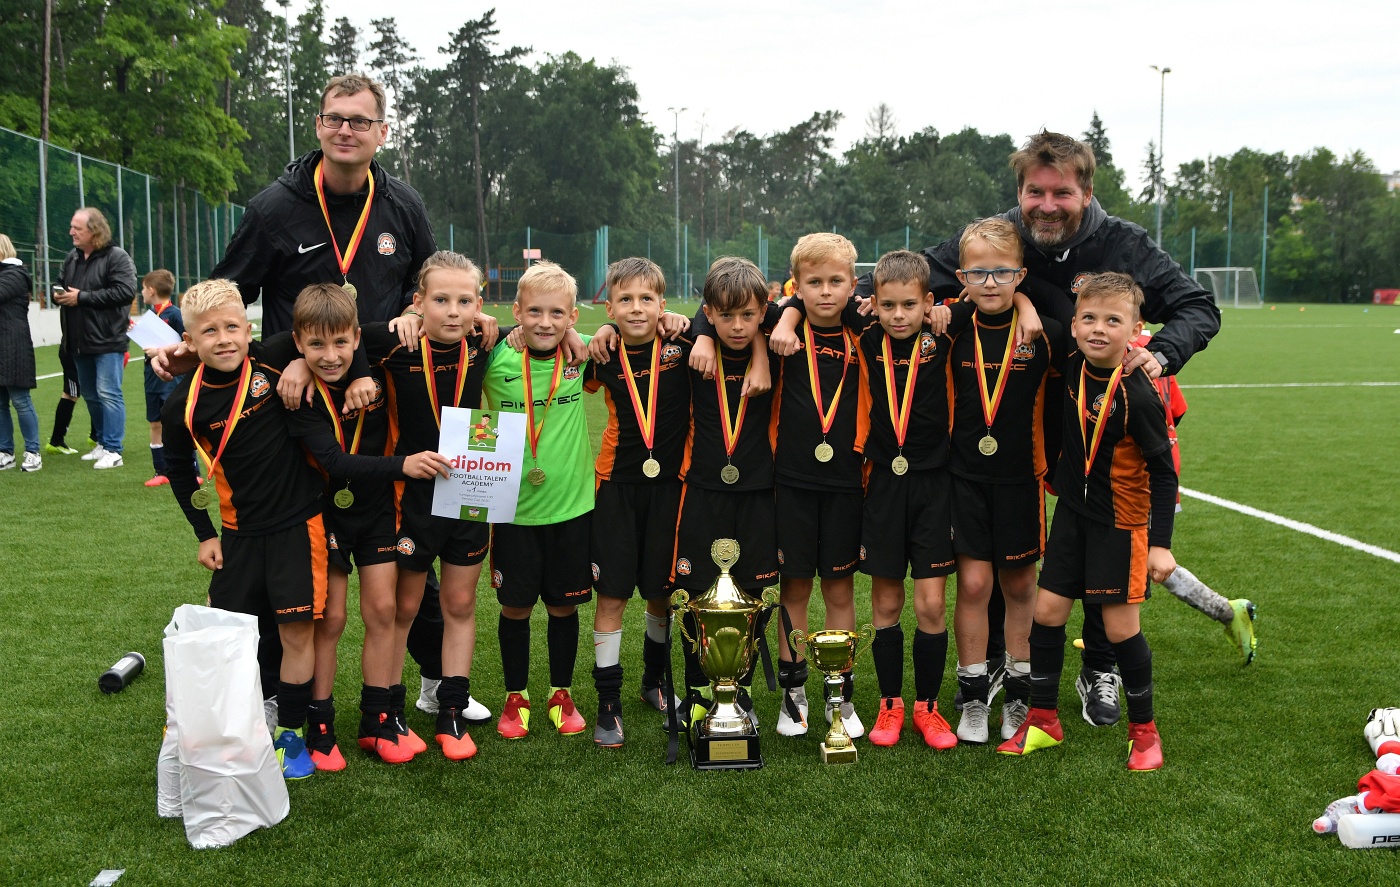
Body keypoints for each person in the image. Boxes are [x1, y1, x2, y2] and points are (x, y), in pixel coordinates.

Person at [864, 130, 1221, 727]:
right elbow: (907, 279)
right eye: (1036, 192)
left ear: (1086, 192)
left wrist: (1158, 355)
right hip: (1014, 417)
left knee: (1100, 539)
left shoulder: (1124, 244)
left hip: (1098, 423)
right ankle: (997, 666)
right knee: (999, 566)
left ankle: (1099, 665)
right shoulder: (997, 237)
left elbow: (1198, 308)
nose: (1046, 206)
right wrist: (793, 310)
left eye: (1061, 193)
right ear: (1020, 193)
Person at [212, 73, 458, 725]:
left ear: (382, 132)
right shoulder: (275, 207)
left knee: (402, 545)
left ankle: (436, 681)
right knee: (289, 550)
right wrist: (287, 358)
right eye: (334, 118)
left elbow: (429, 283)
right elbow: (228, 295)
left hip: (382, 398)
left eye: (359, 120)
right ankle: (276, 692)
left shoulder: (402, 204)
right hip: (298, 402)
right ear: (319, 126)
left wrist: (427, 315)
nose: (345, 130)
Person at [998, 272, 1177, 771]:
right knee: (1047, 613)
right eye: (1090, 318)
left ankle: (1145, 734)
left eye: (1113, 321)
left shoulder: (1139, 394)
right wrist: (1024, 303)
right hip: (1072, 518)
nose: (1099, 329)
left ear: (1136, 331)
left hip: (1120, 525)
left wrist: (1160, 544)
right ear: (1075, 324)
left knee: (1120, 630)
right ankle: (1043, 721)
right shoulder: (1073, 361)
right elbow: (1029, 295)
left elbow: (1164, 473)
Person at [160, 279, 334, 779]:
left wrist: (302, 363)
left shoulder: (275, 356)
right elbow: (178, 471)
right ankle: (239, 722)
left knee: (297, 634)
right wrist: (204, 533)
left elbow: (336, 335)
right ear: (189, 341)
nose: (224, 339)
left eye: (232, 327)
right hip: (237, 535)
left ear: (248, 327)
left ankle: (292, 737)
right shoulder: (182, 406)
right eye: (209, 332)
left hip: (298, 527)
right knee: (230, 638)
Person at [282, 283, 454, 767]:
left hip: (378, 512)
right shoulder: (298, 395)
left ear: (357, 338)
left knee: (383, 610)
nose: (330, 355)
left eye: (341, 343)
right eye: (315, 345)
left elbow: (441, 328)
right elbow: (334, 461)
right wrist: (403, 465)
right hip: (328, 514)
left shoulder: (375, 362)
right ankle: (320, 729)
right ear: (298, 343)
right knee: (332, 619)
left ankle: (378, 721)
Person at [358, 251, 491, 761]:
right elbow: (330, 339)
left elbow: (546, 332)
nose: (453, 311)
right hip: (410, 497)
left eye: (464, 301)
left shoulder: (485, 341)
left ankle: (450, 711)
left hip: (472, 490)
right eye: (440, 300)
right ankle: (388, 711)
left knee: (459, 604)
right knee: (405, 608)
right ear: (418, 302)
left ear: (478, 305)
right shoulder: (394, 343)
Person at [946, 220, 1066, 744]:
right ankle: (974, 699)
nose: (990, 282)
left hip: (1021, 481)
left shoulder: (1046, 334)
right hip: (964, 479)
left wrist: (1027, 307)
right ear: (961, 278)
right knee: (974, 585)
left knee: (1019, 586)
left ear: (1020, 275)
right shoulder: (949, 327)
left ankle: (1018, 698)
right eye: (978, 273)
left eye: (1001, 272)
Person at [482, 261, 594, 742]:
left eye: (556, 314)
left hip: (571, 508)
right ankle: (516, 696)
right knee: (516, 607)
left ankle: (560, 693)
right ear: (516, 312)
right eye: (534, 312)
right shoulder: (494, 357)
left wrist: (597, 332)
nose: (545, 323)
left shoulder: (583, 355)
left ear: (572, 317)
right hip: (513, 509)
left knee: (564, 608)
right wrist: (491, 326)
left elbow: (628, 333)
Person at [583, 257, 693, 747]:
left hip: (671, 487)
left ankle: (654, 682)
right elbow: (555, 345)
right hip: (616, 487)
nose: (636, 308)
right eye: (624, 299)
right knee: (611, 595)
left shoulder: (682, 346)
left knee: (661, 591)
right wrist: (597, 333)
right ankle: (608, 702)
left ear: (662, 305)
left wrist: (686, 323)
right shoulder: (602, 354)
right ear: (609, 307)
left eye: (647, 299)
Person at [671, 257, 780, 725]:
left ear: (763, 314)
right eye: (726, 315)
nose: (738, 326)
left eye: (748, 316)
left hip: (759, 492)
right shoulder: (691, 349)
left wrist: (761, 349)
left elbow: (789, 311)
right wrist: (700, 333)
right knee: (694, 592)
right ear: (709, 313)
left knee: (754, 594)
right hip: (701, 490)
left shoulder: (778, 347)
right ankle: (699, 690)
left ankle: (740, 689)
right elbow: (645, 325)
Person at [53, 207, 137, 470]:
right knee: (90, 394)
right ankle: (102, 442)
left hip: (108, 340)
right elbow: (61, 282)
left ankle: (114, 449)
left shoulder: (117, 257)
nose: (71, 232)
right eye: (72, 227)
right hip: (78, 341)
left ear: (94, 230)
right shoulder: (72, 258)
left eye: (77, 228)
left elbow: (125, 292)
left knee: (109, 393)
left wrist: (82, 297)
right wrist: (59, 294)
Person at [139, 270, 185, 486]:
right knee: (154, 422)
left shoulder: (175, 314)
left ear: (151, 290)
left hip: (171, 378)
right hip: (151, 378)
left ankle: (190, 469)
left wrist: (158, 351)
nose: (141, 293)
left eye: (142, 289)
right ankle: (160, 471)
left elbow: (186, 344)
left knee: (176, 422)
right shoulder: (151, 315)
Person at [0, 234, 41, 472]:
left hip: (14, 346)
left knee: (20, 401)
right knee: (0, 404)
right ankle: (5, 451)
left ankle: (33, 452)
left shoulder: (14, 275)